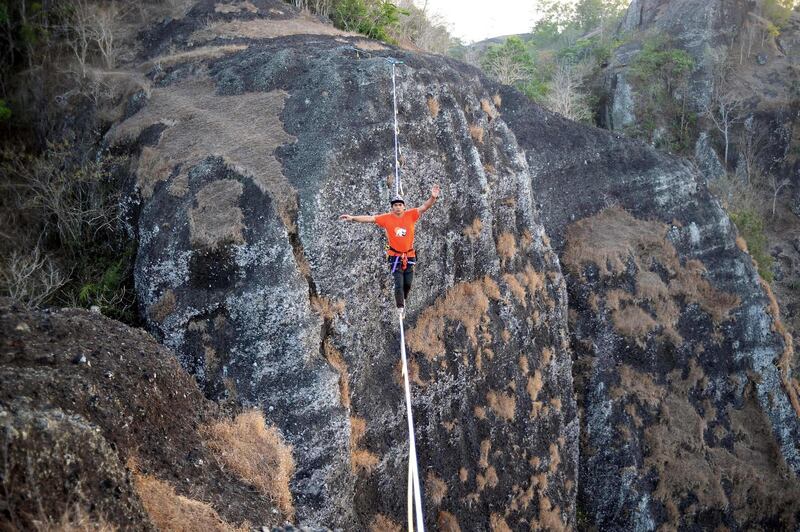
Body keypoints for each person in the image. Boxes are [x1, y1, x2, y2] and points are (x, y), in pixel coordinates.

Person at [340, 185, 441, 318]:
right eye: (395, 205)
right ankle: (400, 307)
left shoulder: (411, 215)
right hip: (395, 256)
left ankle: (403, 299)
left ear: (404, 207)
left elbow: (425, 207)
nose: (398, 207)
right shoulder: (386, 218)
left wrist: (433, 197)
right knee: (398, 282)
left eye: (400, 204)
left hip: (409, 255)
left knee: (408, 283)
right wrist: (353, 218)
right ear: (392, 208)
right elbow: (370, 219)